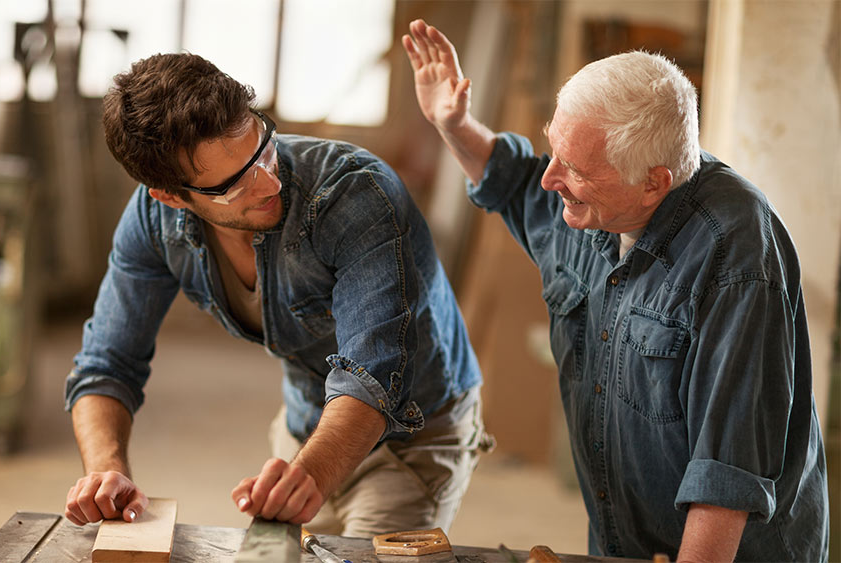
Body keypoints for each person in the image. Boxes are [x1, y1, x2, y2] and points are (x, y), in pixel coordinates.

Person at [402, 18, 828, 563]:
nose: (552, 178)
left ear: (654, 181)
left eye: (574, 168)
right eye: (553, 150)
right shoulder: (590, 206)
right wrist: (453, 123)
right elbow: (512, 182)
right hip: (625, 545)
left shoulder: (736, 255)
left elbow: (728, 478)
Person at [62, 52, 490, 538]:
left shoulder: (354, 195)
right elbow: (106, 363)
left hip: (413, 429)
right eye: (232, 183)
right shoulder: (155, 219)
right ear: (171, 196)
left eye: (261, 147)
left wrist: (308, 475)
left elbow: (372, 379)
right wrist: (105, 469)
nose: (267, 180)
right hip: (309, 419)